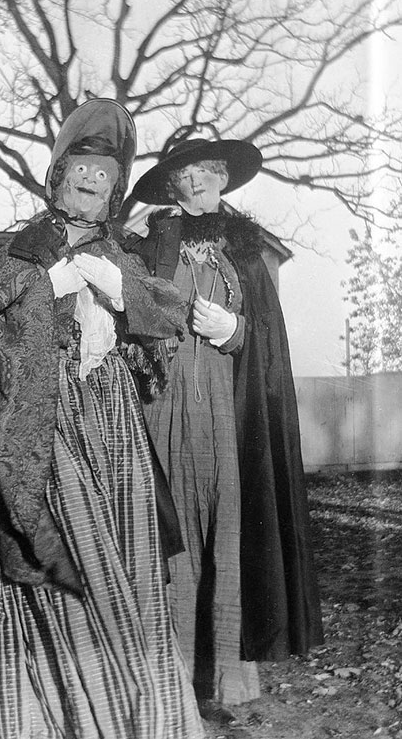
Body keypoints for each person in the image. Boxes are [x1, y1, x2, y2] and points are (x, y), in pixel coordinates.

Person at [0, 100, 205, 739]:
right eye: (82, 169)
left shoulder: (120, 253)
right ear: (58, 175)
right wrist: (49, 296)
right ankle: (72, 714)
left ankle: (143, 716)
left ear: (115, 191)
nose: (93, 182)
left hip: (114, 426)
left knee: (126, 557)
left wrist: (119, 292)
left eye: (106, 176)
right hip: (49, 426)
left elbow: (168, 322)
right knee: (68, 560)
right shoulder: (20, 255)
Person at [127, 137, 323, 720]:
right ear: (170, 185)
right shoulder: (145, 242)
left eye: (208, 172)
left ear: (224, 179)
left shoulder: (246, 248)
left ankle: (225, 685)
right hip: (161, 412)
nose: (197, 183)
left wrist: (232, 329)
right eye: (185, 174)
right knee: (173, 544)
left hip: (228, 415)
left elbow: (267, 338)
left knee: (227, 539)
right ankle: (171, 681)